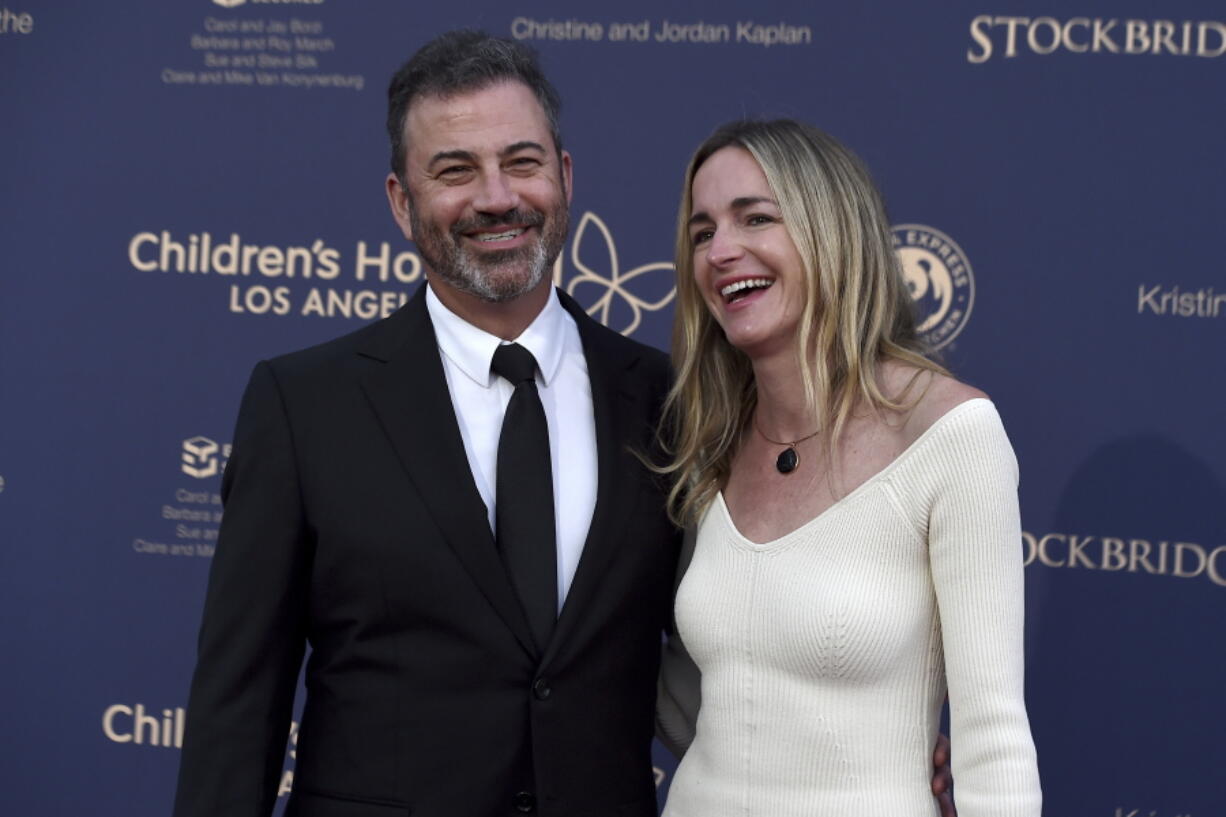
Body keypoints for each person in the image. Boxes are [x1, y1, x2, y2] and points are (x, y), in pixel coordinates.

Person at [173, 30, 679, 817]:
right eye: (454, 170)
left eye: (522, 161)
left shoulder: (664, 396)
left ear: (565, 177)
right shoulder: (304, 404)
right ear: (401, 203)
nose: (497, 197)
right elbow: (239, 705)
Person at [654, 120, 1041, 815]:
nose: (722, 250)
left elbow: (994, 738)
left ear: (832, 231)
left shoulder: (953, 435)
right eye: (702, 230)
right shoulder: (708, 440)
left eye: (756, 218)